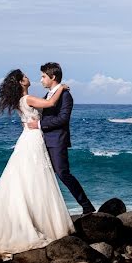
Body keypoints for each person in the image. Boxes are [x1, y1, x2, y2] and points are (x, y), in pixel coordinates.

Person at [0, 69, 74, 257]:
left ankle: (32, 216)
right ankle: (40, 220)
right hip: (33, 138)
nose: (31, 78)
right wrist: (61, 88)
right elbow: (51, 103)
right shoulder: (28, 99)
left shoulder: (21, 101)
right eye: (26, 77)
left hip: (27, 137)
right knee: (36, 177)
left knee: (28, 176)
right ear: (22, 82)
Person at [27, 62, 95, 215]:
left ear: (53, 77)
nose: (41, 80)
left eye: (44, 76)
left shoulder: (65, 95)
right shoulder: (48, 95)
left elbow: (63, 119)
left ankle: (87, 205)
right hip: (43, 140)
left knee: (62, 173)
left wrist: (38, 124)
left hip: (57, 140)